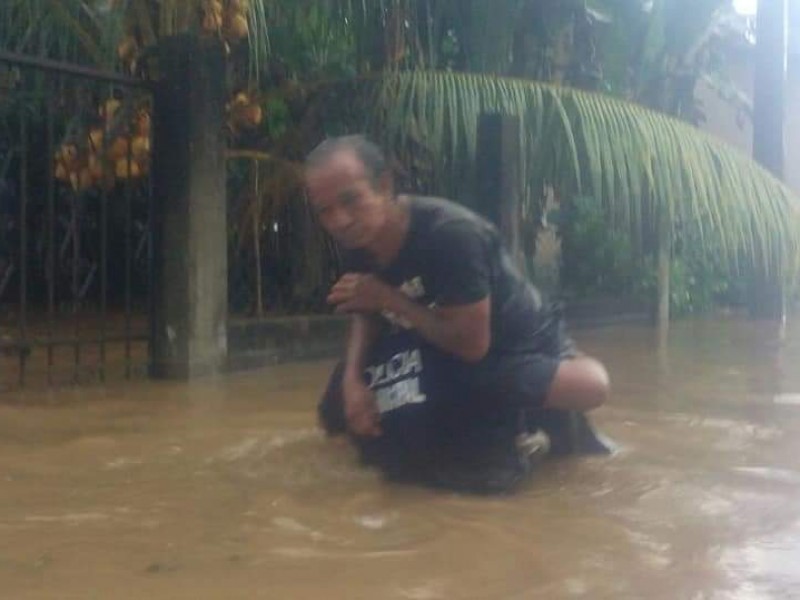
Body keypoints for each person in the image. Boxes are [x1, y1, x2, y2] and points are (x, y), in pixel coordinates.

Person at [306, 135, 611, 494]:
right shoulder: (360, 239)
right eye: (325, 211)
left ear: (384, 185)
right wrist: (352, 380)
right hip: (432, 340)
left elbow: (470, 345)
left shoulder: (451, 237)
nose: (339, 221)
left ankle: (536, 423)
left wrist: (388, 298)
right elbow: (364, 307)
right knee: (335, 407)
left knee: (589, 387)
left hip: (503, 348)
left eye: (350, 201)